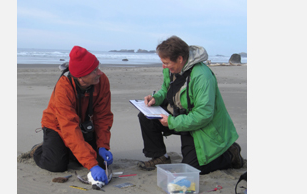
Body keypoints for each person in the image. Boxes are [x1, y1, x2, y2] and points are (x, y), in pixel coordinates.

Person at [137, 36, 244, 175]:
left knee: (193, 169)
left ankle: (230, 154)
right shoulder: (171, 69)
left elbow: (204, 115)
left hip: (203, 126)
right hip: (181, 117)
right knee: (146, 116)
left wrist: (171, 122)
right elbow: (166, 90)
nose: (163, 66)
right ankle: (160, 157)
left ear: (180, 59)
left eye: (166, 63)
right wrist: (156, 99)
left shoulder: (202, 76)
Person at [30, 46, 114, 184]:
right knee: (57, 165)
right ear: (81, 78)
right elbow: (69, 127)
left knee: (99, 161)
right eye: (94, 71)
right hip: (56, 125)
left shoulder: (102, 81)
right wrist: (91, 165)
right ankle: (39, 150)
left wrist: (103, 145)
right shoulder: (63, 88)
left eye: (98, 67)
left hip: (82, 124)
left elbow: (103, 116)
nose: (100, 72)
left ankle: (70, 149)